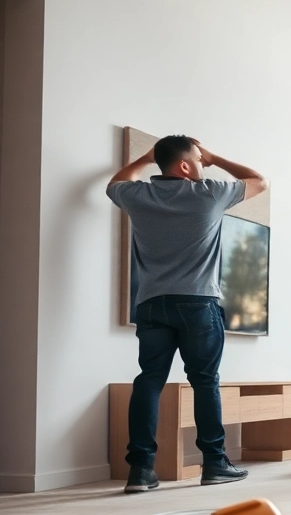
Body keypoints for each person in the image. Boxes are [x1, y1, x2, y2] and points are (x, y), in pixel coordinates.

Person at [106, 136, 267, 493]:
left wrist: (147, 158)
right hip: (197, 303)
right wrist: (217, 156)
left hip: (151, 303)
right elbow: (260, 180)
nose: (202, 163)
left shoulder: (138, 196)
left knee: (149, 380)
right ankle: (214, 463)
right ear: (184, 166)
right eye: (197, 159)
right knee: (204, 381)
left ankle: (141, 471)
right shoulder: (209, 193)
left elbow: (114, 183)